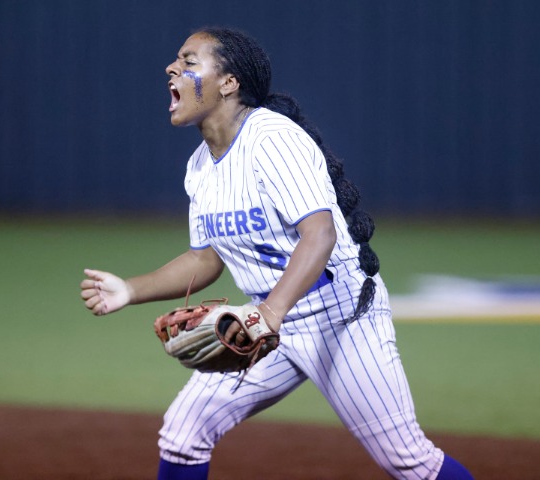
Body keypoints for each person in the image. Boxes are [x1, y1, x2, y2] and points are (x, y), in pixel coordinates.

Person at [80, 27, 474, 480]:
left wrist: (270, 312)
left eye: (189, 62)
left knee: (408, 460)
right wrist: (130, 290)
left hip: (339, 317)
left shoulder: (271, 138)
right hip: (266, 325)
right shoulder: (199, 166)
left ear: (229, 83)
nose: (172, 68)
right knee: (183, 434)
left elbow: (319, 235)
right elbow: (204, 259)